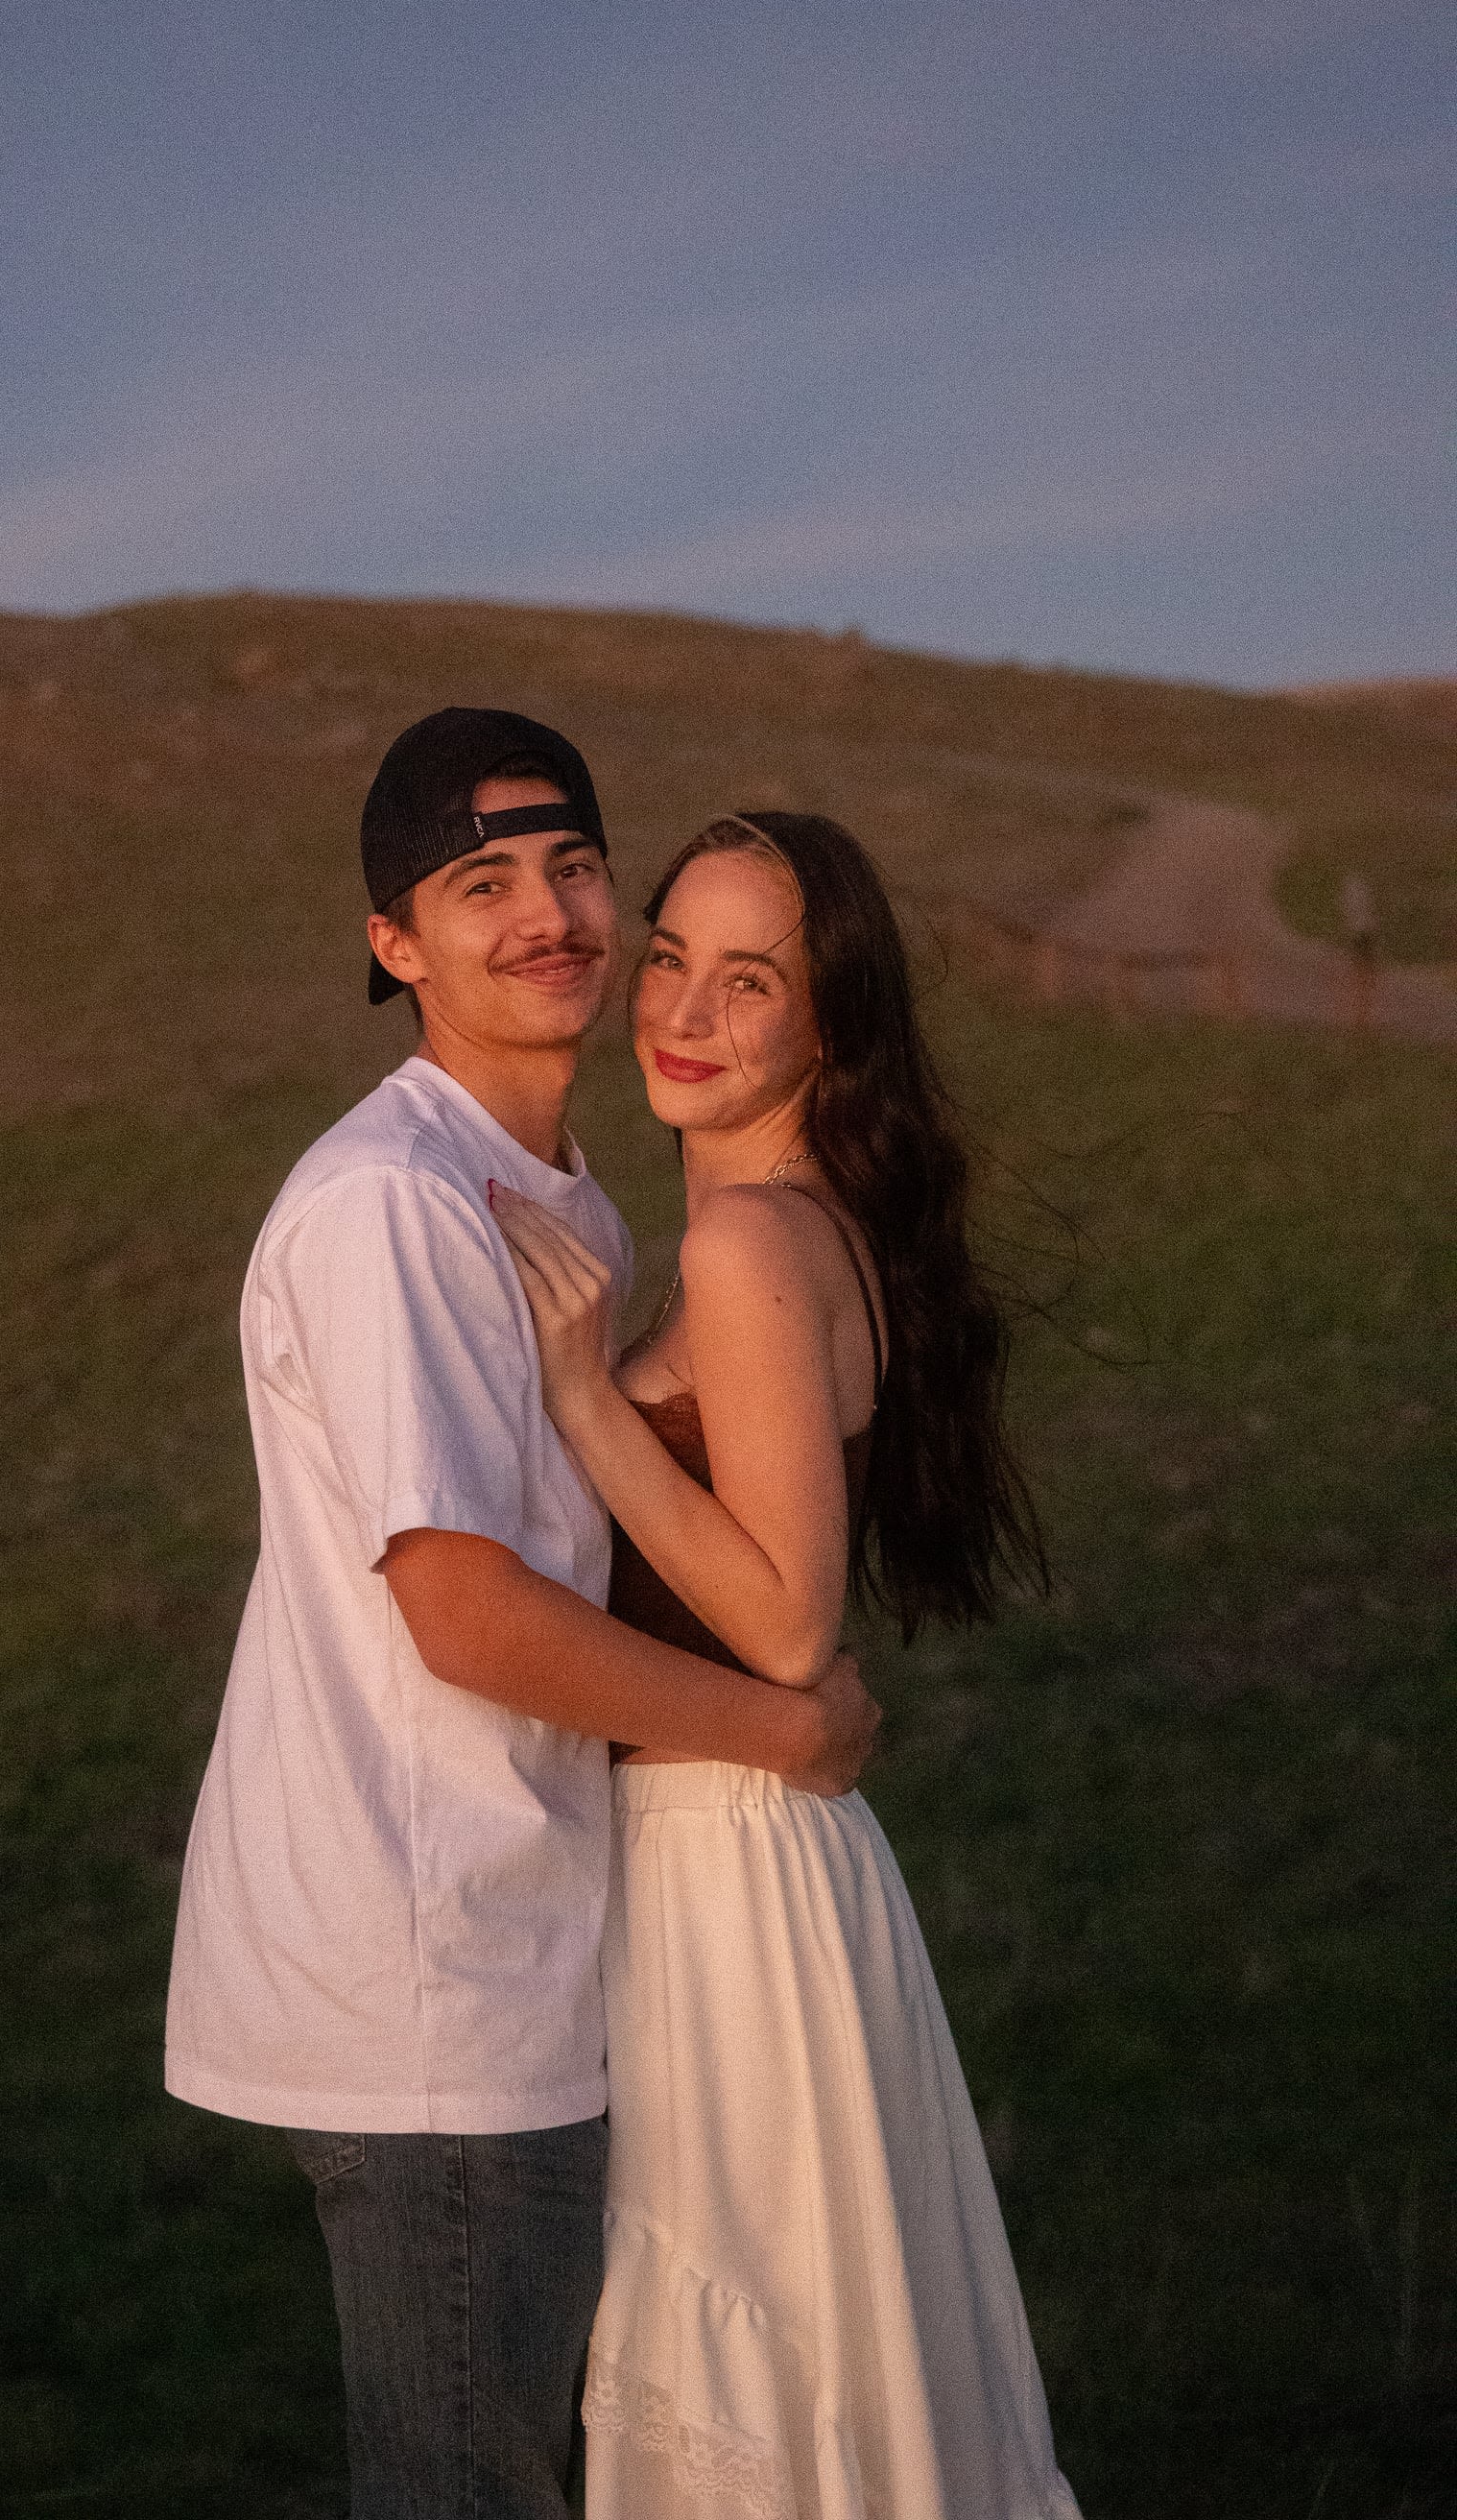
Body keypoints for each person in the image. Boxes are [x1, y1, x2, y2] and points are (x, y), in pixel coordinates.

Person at [165, 723, 881, 2520]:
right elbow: (465, 1611)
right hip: (432, 1977)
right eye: (479, 886)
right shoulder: (400, 1201)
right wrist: (784, 1729)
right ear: (396, 945)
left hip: (521, 1940)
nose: (548, 916)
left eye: (571, 871)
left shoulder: (557, 1206)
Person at [491, 809, 1082, 2520]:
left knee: (752, 2384)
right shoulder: (779, 1231)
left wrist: (591, 1404)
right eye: (667, 954)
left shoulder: (754, 1247)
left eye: (748, 981)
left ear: (829, 1025)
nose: (681, 1006)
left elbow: (790, 1625)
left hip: (728, 1881)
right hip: (733, 1865)